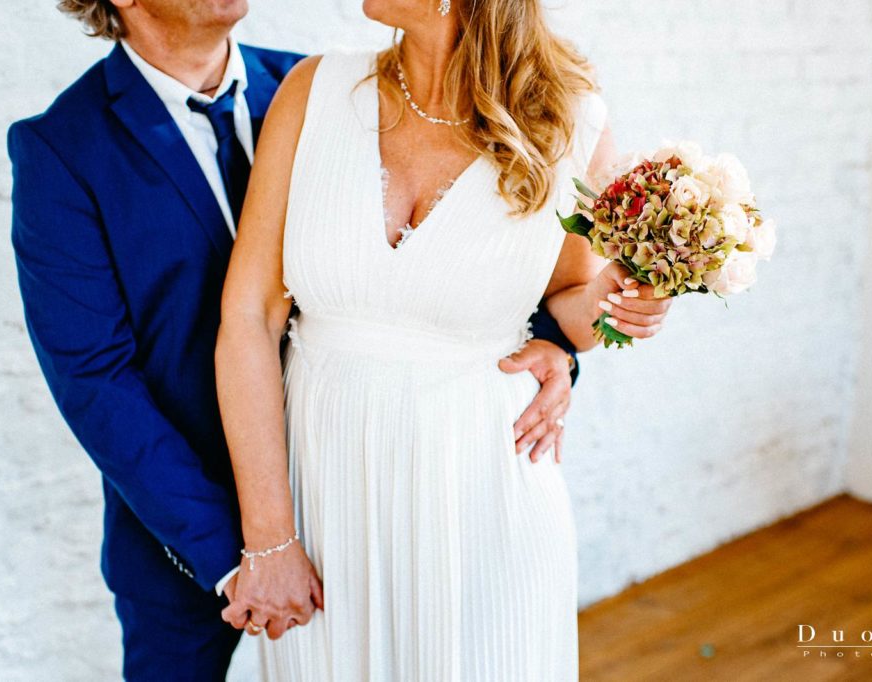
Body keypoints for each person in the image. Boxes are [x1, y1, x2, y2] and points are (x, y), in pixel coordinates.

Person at [8, 0, 581, 678]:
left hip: (361, 501)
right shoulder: (63, 148)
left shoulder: (324, 91)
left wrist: (555, 346)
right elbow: (95, 382)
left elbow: (483, 262)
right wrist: (246, 552)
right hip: (193, 545)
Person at [215, 0, 673, 678]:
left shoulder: (568, 123)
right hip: (327, 492)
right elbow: (249, 317)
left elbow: (569, 305)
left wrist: (639, 297)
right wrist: (269, 539)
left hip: (480, 489)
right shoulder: (313, 92)